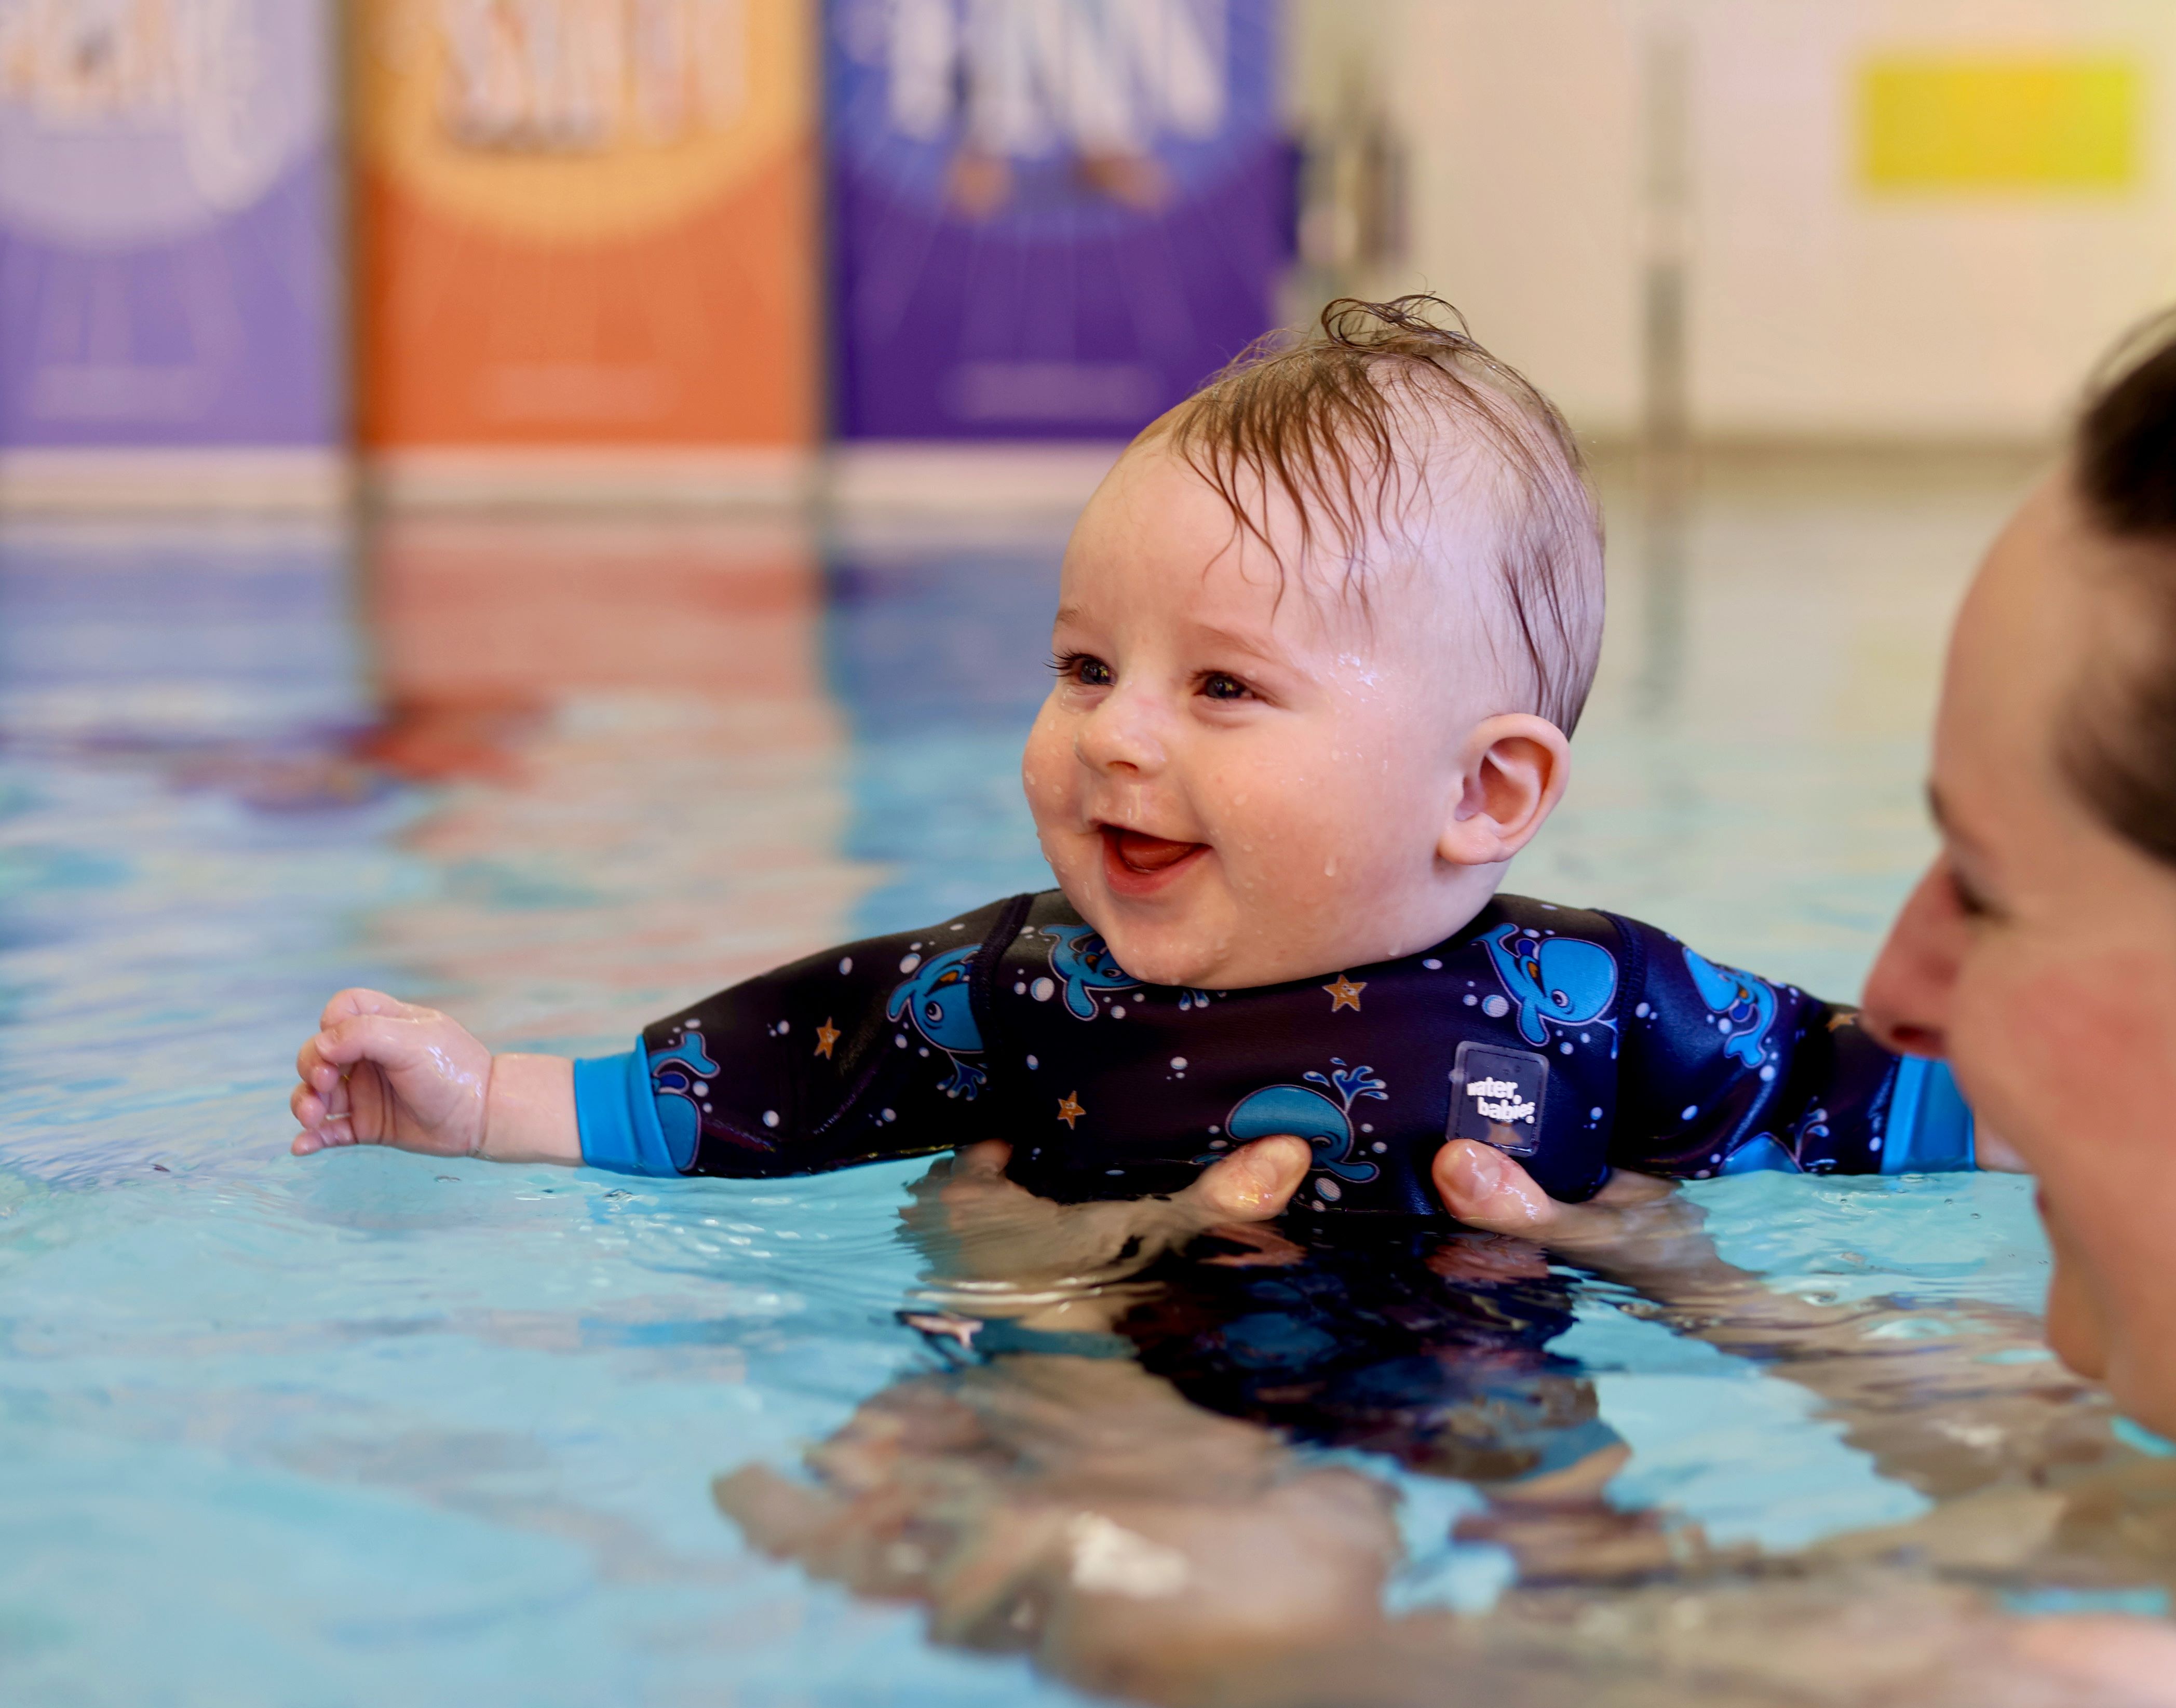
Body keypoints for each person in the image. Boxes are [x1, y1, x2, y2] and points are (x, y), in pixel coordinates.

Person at [856, 241, 2176, 1708]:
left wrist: (1078, 1376)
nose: (1892, 996)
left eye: (1990, 890)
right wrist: (1702, 1295)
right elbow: (2104, 1491)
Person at [285, 298, 1976, 1216]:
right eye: (1086, 667)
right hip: (1111, 1385)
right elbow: (765, 1080)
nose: (1115, 733)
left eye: (1223, 687)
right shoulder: (1018, 991)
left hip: (1477, 1417)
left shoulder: (1593, 1006)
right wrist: (488, 1100)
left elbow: (1865, 1097)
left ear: (1484, 793)